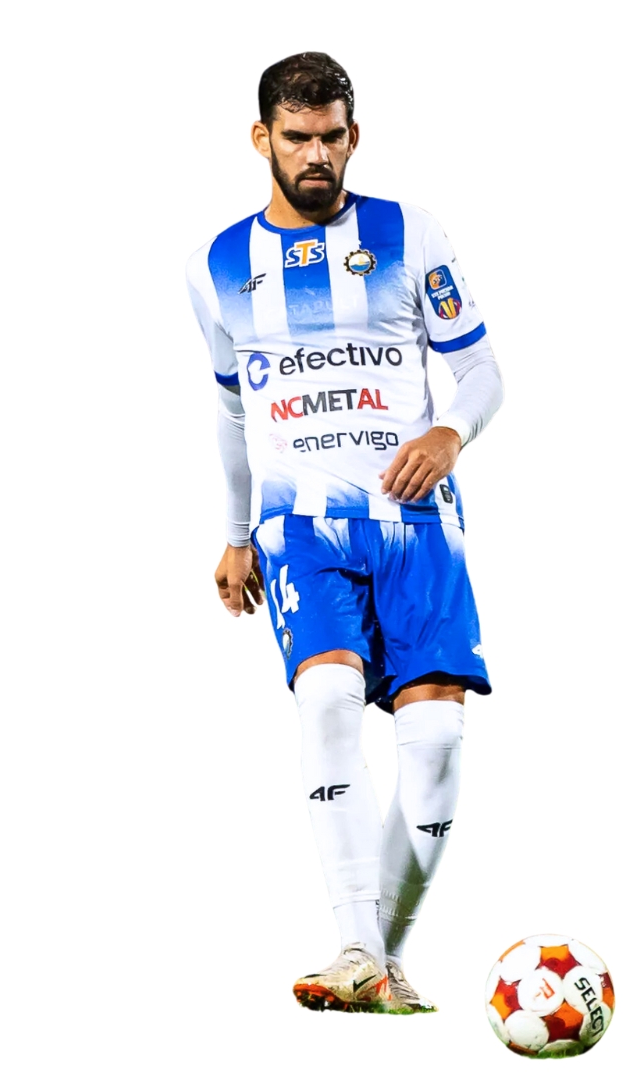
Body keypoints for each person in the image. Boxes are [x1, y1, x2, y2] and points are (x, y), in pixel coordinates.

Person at [185, 52, 503, 1014]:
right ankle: (357, 943)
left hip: (415, 525)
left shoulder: (411, 234)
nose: (316, 155)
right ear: (263, 139)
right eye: (297, 139)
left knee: (436, 737)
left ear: (353, 135)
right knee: (325, 699)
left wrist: (450, 433)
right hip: (300, 529)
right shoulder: (218, 266)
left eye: (331, 137)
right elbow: (232, 410)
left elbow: (483, 372)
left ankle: (382, 956)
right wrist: (235, 532)